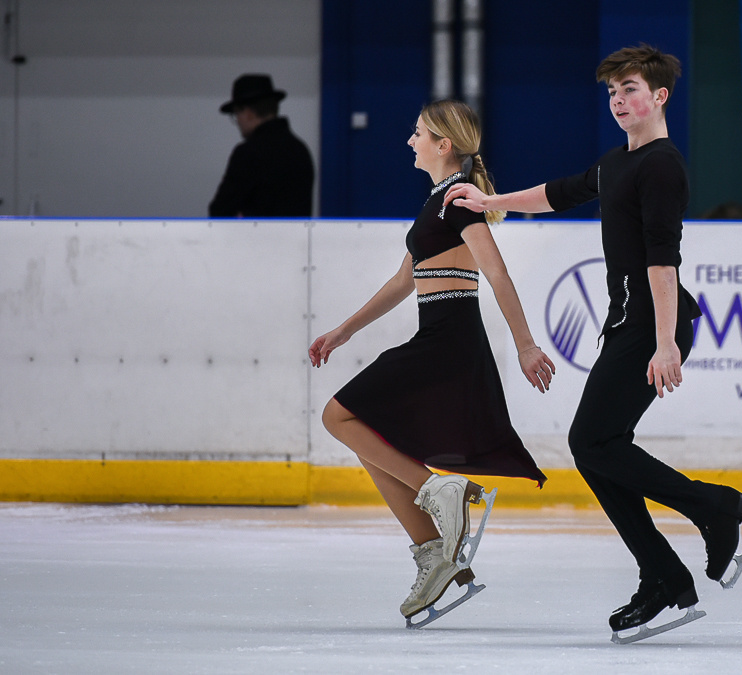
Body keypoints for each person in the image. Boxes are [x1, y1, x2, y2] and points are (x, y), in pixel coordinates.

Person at [444, 45, 742, 639]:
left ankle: (716, 512)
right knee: (597, 446)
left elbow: (663, 261)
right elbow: (561, 191)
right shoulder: (620, 161)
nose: (619, 101)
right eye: (612, 93)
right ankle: (669, 568)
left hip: (649, 328)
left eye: (630, 90)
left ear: (660, 96)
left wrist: (665, 343)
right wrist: (491, 203)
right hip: (628, 327)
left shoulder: (662, 165)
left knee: (590, 441)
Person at [308, 100, 554, 623]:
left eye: (417, 133)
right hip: (444, 337)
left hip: (450, 341)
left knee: (338, 416)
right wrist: (342, 331)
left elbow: (498, 273)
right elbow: (403, 282)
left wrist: (527, 344)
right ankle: (434, 554)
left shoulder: (458, 203)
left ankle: (436, 489)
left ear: (444, 145)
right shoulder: (436, 203)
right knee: (371, 439)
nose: (409, 141)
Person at [209, 74, 315, 218]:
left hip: (255, 240)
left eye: (236, 114)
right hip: (297, 240)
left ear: (248, 113)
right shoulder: (300, 150)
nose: (238, 122)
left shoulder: (248, 153)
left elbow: (220, 211)